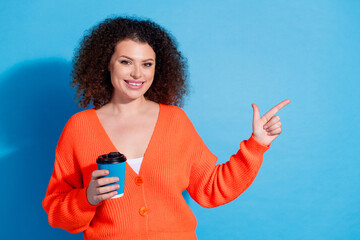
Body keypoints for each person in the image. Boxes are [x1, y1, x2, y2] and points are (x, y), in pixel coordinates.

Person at [42, 17, 290, 240]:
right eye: (126, 62)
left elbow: (211, 188)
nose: (137, 73)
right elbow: (56, 211)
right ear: (107, 64)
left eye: (147, 64)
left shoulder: (175, 120)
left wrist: (257, 144)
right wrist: (87, 198)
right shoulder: (80, 128)